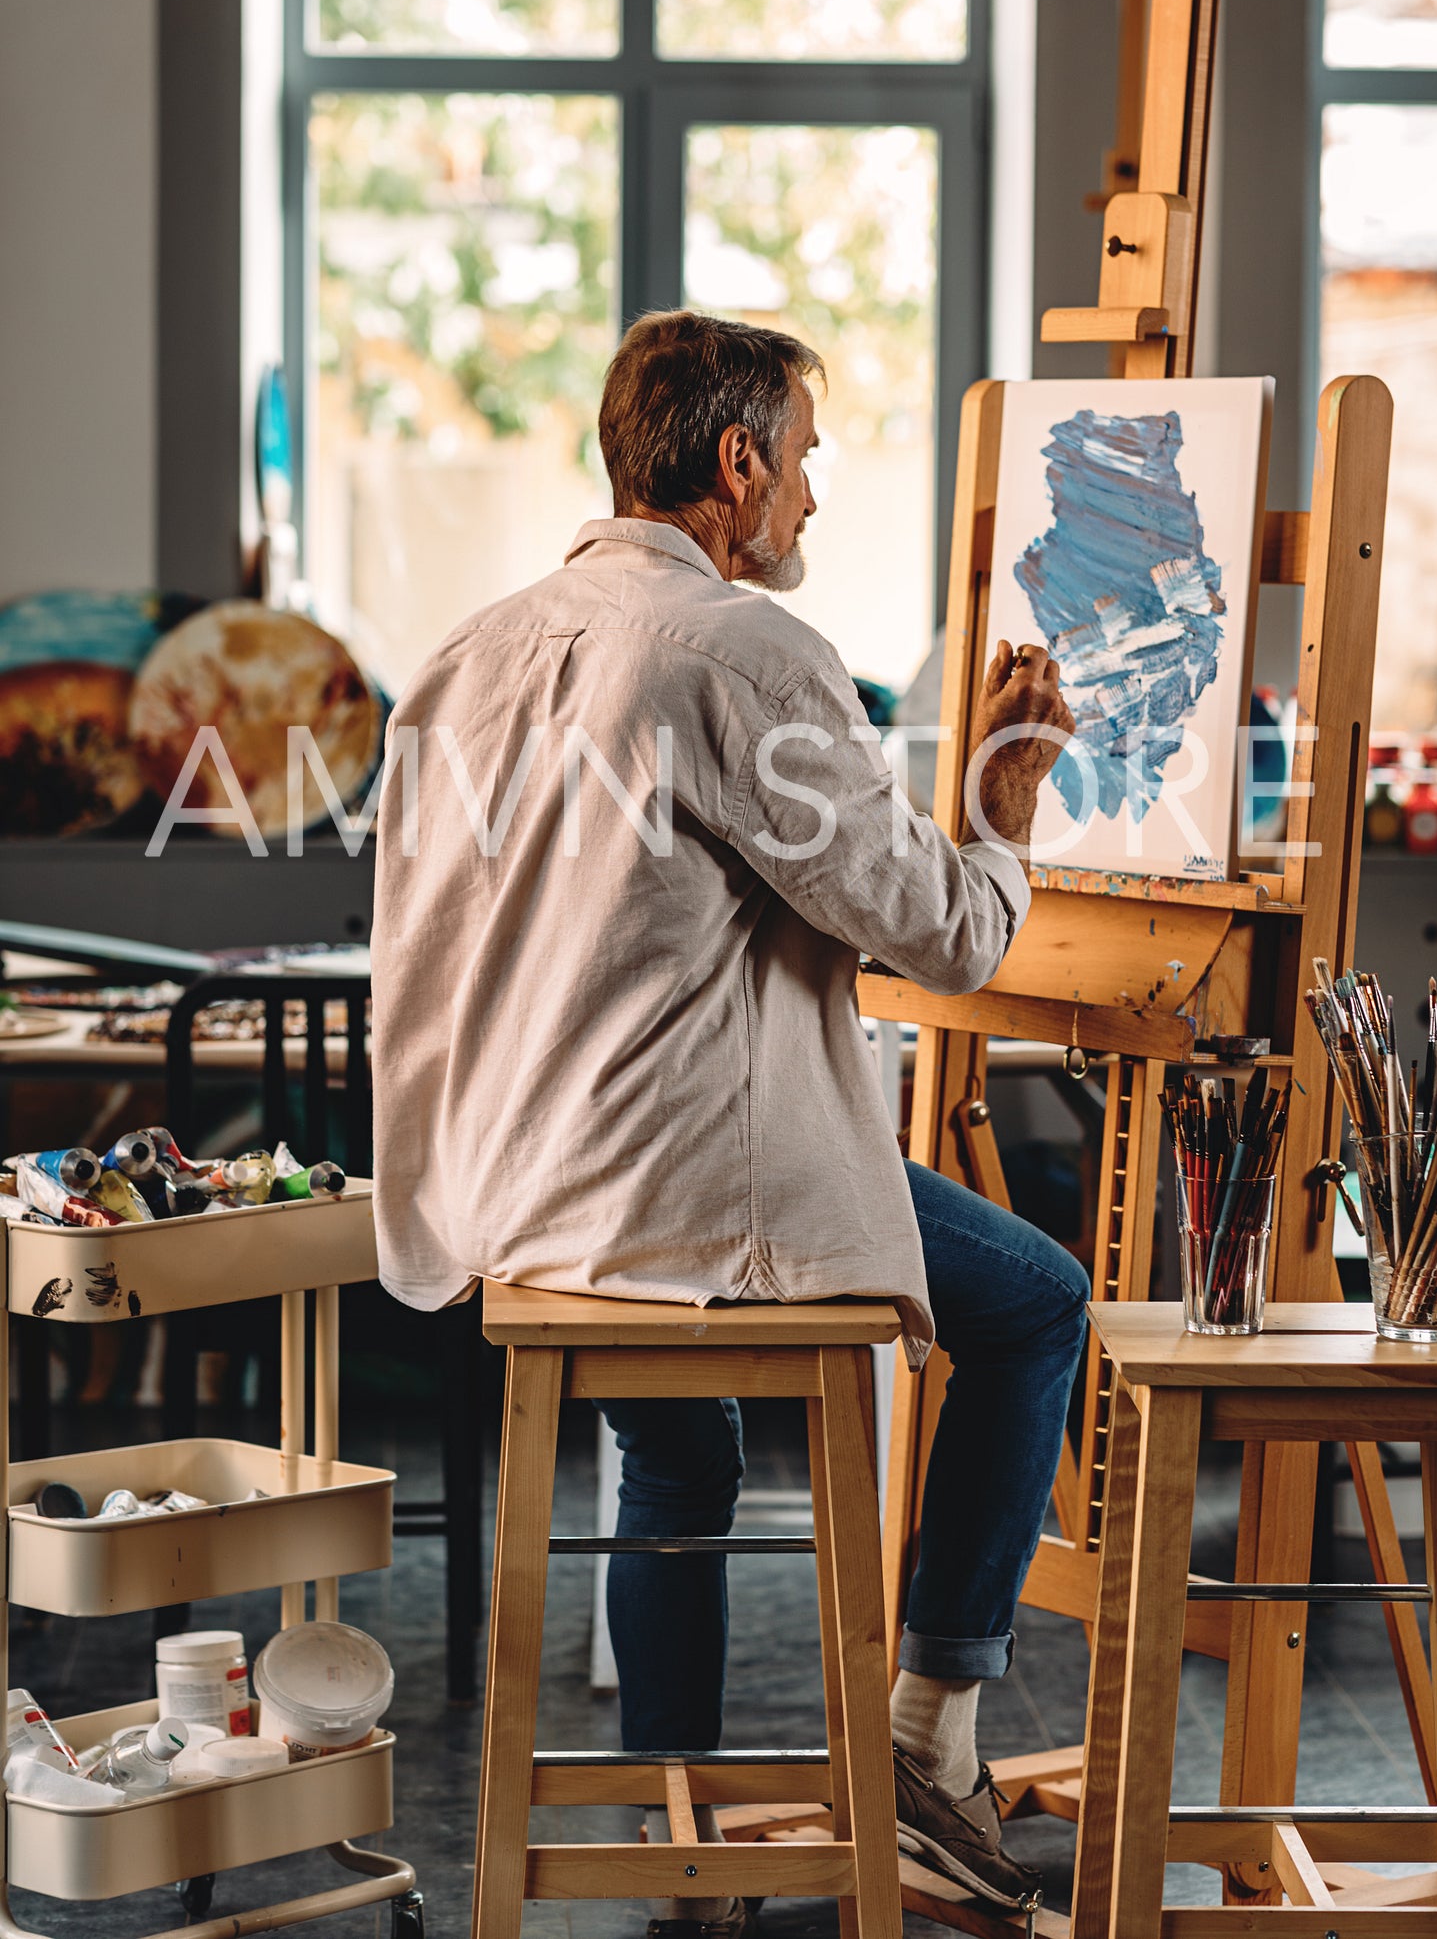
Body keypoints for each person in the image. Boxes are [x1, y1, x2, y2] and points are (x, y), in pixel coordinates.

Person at [372, 309, 1088, 1930]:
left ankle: (679, 1858)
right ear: (734, 463)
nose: (816, 499)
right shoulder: (741, 656)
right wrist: (1001, 797)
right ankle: (932, 1732)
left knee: (671, 1436)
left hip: (521, 1197)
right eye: (808, 461)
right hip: (685, 1187)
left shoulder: (467, 655)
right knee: (1040, 1300)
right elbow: (947, 932)